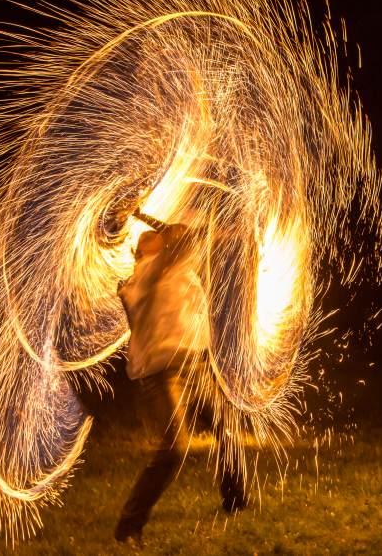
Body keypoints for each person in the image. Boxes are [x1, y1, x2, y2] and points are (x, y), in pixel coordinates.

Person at [114, 220, 246, 544]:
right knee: (173, 449)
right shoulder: (142, 279)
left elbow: (189, 235)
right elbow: (181, 237)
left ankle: (236, 500)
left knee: (226, 430)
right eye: (150, 238)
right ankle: (129, 525)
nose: (156, 237)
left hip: (195, 365)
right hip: (161, 374)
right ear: (140, 252)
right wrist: (143, 213)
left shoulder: (179, 270)